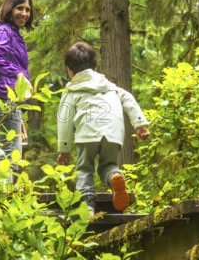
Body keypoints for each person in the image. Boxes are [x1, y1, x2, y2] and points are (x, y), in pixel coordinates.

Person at [56, 42, 150, 216]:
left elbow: (64, 120)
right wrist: (140, 124)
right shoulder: (110, 87)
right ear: (95, 66)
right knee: (109, 165)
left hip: (87, 133)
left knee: (84, 169)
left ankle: (88, 207)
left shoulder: (71, 92)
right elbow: (128, 99)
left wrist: (64, 148)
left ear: (69, 70)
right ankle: (114, 177)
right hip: (113, 133)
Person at [0, 0, 33, 178]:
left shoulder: (13, 33)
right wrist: (18, 73)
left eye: (28, 9)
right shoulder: (4, 30)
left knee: (11, 157)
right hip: (4, 97)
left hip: (10, 102)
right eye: (20, 8)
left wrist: (18, 116)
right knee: (8, 158)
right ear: (9, 9)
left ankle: (6, 201)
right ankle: (2, 203)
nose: (24, 13)